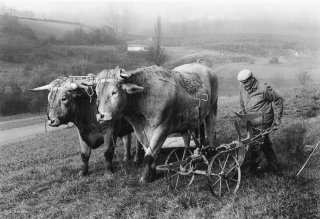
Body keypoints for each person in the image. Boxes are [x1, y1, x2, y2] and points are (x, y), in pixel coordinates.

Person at [237, 69, 284, 176]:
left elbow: (278, 99)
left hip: (263, 121)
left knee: (256, 144)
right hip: (250, 121)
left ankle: (253, 170)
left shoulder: (263, 88)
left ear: (252, 79)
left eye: (246, 82)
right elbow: (241, 102)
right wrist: (243, 115)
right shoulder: (242, 87)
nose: (244, 85)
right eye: (242, 82)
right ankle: (276, 169)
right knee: (265, 144)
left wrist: (277, 118)